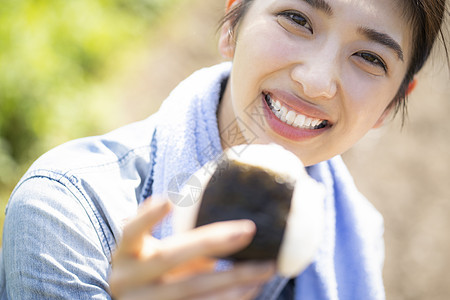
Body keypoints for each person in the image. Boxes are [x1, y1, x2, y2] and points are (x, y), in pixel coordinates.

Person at [0, 0, 448, 299]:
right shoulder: (69, 211)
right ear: (233, 23)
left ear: (392, 104)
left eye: (370, 57)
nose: (316, 80)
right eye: (297, 19)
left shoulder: (358, 236)